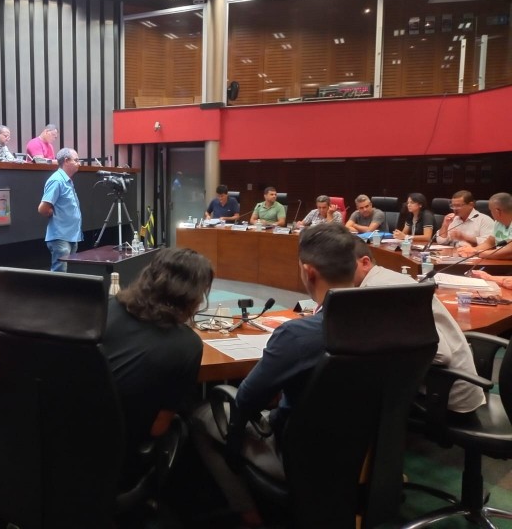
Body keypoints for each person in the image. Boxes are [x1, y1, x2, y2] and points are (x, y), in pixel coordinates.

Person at [190, 223, 357, 527]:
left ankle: (250, 515)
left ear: (308, 272)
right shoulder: (388, 322)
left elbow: (245, 400)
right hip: (365, 452)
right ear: (356, 267)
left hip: (297, 455)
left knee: (202, 415)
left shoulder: (297, 335)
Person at [102, 247, 211, 484]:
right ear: (191, 296)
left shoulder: (107, 308)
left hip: (68, 437)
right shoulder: (187, 345)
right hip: (122, 458)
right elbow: (158, 429)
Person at [353, 240, 485, 413]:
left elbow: (440, 354)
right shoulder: (383, 277)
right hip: (441, 389)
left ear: (365, 262)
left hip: (446, 401)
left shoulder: (380, 289)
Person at [37, 148, 83, 272]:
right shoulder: (57, 180)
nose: (79, 163)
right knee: (59, 275)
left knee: (67, 275)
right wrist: (50, 212)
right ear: (66, 161)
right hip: (60, 236)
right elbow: (42, 208)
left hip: (71, 235)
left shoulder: (67, 180)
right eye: (76, 160)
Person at [458, 192, 512, 260]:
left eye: (491, 210)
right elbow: (489, 243)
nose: (491, 213)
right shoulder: (498, 222)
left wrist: (476, 253)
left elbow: (509, 252)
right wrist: (471, 250)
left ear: (497, 211)